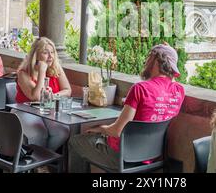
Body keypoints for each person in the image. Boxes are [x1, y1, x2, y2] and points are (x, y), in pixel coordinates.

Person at [68, 43, 185, 173]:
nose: (145, 61)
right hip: (152, 156)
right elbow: (170, 82)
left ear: (155, 60)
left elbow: (117, 131)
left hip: (123, 156)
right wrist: (170, 54)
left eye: (149, 57)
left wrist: (99, 129)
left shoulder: (140, 88)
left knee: (75, 142)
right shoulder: (179, 91)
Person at [15, 37, 72, 152]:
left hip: (47, 111)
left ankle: (41, 161)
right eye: (45, 53)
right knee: (39, 133)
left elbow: (67, 90)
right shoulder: (23, 74)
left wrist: (53, 96)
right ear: (36, 55)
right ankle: (40, 165)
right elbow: (35, 97)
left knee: (62, 131)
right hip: (25, 111)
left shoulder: (56, 68)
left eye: (52, 52)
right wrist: (42, 71)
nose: (50, 56)